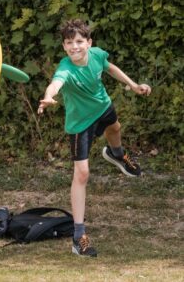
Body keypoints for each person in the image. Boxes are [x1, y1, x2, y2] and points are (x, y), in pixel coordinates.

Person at [37, 19, 151, 257]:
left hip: (103, 107)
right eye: (69, 43)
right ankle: (79, 237)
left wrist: (132, 84)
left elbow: (109, 68)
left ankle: (116, 154)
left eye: (79, 41)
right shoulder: (66, 68)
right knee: (82, 174)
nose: (74, 46)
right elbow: (55, 84)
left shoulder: (97, 54)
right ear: (64, 47)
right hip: (80, 124)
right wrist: (48, 97)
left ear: (89, 43)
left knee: (115, 128)